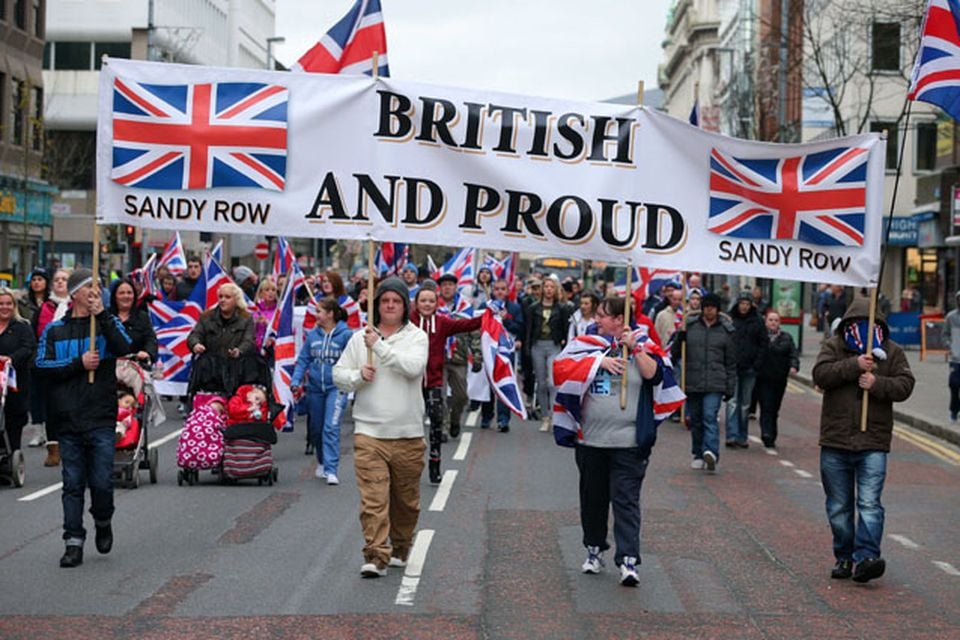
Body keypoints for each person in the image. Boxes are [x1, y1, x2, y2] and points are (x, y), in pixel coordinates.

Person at [35, 268, 133, 568]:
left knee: (102, 482)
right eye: (90, 287)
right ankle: (73, 541)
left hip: (100, 416)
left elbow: (125, 346)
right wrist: (78, 363)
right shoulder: (55, 330)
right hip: (67, 417)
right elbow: (42, 366)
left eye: (99, 287)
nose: (95, 291)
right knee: (73, 483)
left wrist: (103, 316)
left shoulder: (106, 324)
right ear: (75, 293)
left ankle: (103, 520)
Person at [812, 298, 914, 583]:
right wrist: (853, 365)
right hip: (836, 440)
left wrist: (878, 384)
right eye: (857, 326)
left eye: (871, 326)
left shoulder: (891, 352)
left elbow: (906, 385)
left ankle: (867, 558)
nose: (864, 331)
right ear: (847, 326)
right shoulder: (834, 346)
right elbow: (820, 375)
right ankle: (844, 557)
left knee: (870, 503)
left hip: (873, 441)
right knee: (839, 506)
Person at [333, 277, 429, 578]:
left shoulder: (417, 337)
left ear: (404, 306)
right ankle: (375, 554)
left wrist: (381, 347)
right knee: (373, 500)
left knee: (406, 503)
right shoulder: (359, 338)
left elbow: (413, 368)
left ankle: (401, 546)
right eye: (385, 301)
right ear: (377, 305)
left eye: (396, 301)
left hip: (407, 434)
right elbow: (339, 373)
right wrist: (358, 377)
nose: (390, 306)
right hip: (369, 432)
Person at [565, 297, 664, 587]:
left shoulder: (642, 344)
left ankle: (629, 560)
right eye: (596, 315)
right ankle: (594, 550)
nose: (597, 320)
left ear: (619, 319)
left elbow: (654, 375)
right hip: (591, 441)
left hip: (629, 443)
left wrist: (634, 348)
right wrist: (598, 361)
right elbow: (562, 370)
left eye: (603, 316)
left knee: (626, 501)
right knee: (593, 500)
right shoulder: (586, 344)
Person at [411, 283, 482, 482]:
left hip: (433, 381)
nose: (427, 304)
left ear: (436, 303)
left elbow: (466, 325)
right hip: (409, 382)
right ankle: (409, 466)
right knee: (410, 426)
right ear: (416, 303)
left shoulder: (442, 323)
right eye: (423, 301)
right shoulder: (408, 322)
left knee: (435, 422)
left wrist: (488, 317)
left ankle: (435, 464)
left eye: (431, 301)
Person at [291, 297, 352, 485]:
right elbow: (304, 359)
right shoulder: (313, 335)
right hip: (315, 388)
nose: (315, 314)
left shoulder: (345, 335)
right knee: (316, 429)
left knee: (331, 427)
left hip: (337, 388)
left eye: (319, 311)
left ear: (330, 314)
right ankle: (322, 460)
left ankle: (331, 469)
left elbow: (353, 359)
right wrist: (296, 380)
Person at [673, 293, 735, 472]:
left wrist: (730, 386)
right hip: (693, 380)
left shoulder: (726, 331)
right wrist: (680, 338)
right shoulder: (689, 326)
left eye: (712, 307)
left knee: (709, 416)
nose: (709, 310)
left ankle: (711, 452)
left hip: (715, 382)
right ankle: (698, 453)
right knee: (696, 419)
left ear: (717, 309)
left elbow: (730, 361)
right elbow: (676, 353)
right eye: (706, 307)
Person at [30, 268, 72, 459]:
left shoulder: (75, 304)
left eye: (64, 279)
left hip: (72, 360)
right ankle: (52, 445)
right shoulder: (44, 308)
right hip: (49, 362)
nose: (60, 283)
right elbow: (35, 334)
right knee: (50, 402)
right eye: (57, 280)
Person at [187, 283, 256, 395]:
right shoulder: (207, 316)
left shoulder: (246, 318)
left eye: (227, 297)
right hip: (210, 371)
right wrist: (196, 344)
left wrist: (239, 351)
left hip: (236, 371)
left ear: (236, 300)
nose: (223, 300)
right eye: (220, 297)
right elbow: (194, 335)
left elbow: (249, 341)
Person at [525, 274, 573, 431]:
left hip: (554, 345)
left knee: (553, 382)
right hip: (537, 345)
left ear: (556, 289)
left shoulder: (562, 308)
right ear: (542, 289)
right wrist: (527, 347)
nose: (549, 290)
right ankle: (544, 417)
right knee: (541, 383)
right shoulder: (533, 308)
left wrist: (565, 344)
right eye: (546, 286)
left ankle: (554, 415)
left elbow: (566, 329)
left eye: (552, 287)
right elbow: (529, 329)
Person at [479, 278, 525, 432]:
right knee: (488, 383)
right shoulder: (485, 306)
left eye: (502, 289)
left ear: (507, 291)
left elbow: (520, 327)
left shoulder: (514, 308)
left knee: (504, 381)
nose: (499, 291)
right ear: (492, 290)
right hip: (489, 350)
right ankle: (486, 416)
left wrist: (506, 320)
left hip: (506, 351)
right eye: (497, 288)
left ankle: (503, 419)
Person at [725, 292, 766, 448]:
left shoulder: (757, 321)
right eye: (742, 303)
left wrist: (757, 364)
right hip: (733, 367)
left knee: (745, 405)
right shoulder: (730, 320)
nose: (744, 306)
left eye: (747, 304)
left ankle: (742, 436)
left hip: (750, 368)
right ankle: (731, 435)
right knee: (732, 402)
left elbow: (763, 344)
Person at [437, 273, 475, 440]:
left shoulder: (465, 307)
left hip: (459, 358)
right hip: (438, 358)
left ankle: (454, 419)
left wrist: (478, 356)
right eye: (444, 285)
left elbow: (474, 332)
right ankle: (443, 427)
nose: (447, 288)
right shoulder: (433, 306)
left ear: (455, 287)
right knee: (440, 395)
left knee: (461, 396)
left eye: (450, 285)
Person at [0, 287, 36, 454]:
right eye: (1, 304)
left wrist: (11, 358)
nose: (4, 307)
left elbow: (28, 348)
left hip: (15, 384)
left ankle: (12, 455)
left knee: (13, 422)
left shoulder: (22, 327)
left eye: (8, 304)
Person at [755, 311, 798, 450]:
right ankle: (766, 434)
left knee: (774, 408)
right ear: (765, 321)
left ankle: (772, 434)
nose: (773, 323)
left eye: (776, 320)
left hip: (779, 378)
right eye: (770, 320)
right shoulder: (760, 337)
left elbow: (793, 354)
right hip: (763, 377)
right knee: (766, 406)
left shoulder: (786, 338)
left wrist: (794, 366)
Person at [109, 278, 157, 364]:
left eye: (129, 293)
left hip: (136, 367)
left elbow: (150, 338)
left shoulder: (142, 316)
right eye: (121, 293)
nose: (126, 296)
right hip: (110, 367)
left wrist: (148, 352)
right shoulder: (107, 316)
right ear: (114, 296)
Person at [252, 277, 279, 352]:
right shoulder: (255, 309)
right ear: (261, 293)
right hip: (255, 348)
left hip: (271, 349)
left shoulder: (278, 310)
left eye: (273, 290)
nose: (271, 292)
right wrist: (255, 322)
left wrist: (268, 323)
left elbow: (280, 329)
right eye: (267, 290)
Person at [946, 290, 960, 422]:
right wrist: (950, 346)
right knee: (954, 384)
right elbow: (945, 335)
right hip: (955, 358)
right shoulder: (951, 317)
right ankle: (954, 410)